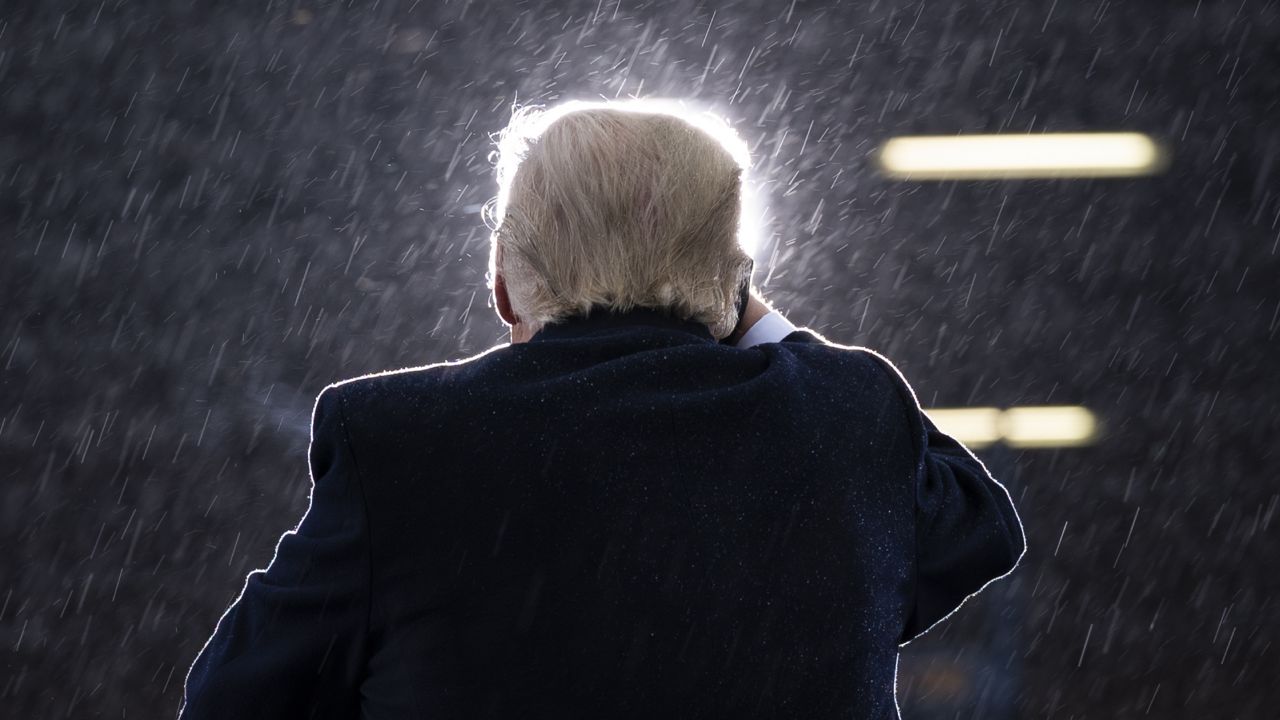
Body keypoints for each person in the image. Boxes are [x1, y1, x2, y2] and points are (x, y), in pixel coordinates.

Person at [178, 99, 1026, 719]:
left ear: (503, 283)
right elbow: (981, 527)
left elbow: (235, 698)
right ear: (732, 283)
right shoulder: (845, 414)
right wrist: (749, 312)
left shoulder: (401, 442)